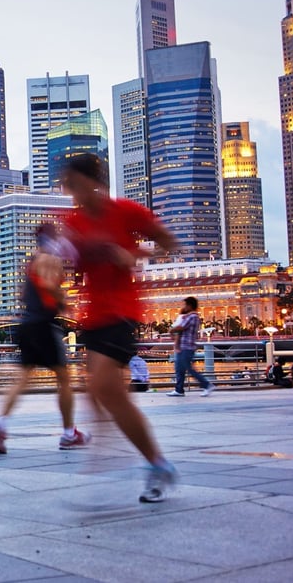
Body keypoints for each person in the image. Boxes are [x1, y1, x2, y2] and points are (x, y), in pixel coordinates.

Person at [60, 153, 179, 503]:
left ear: (94, 182)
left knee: (104, 388)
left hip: (122, 312)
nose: (72, 192)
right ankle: (143, 456)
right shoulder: (73, 221)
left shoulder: (126, 212)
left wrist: (135, 254)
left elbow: (169, 244)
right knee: (100, 392)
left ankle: (155, 463)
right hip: (92, 316)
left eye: (76, 184)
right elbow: (68, 259)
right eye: (68, 186)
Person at [0, 222, 88, 454]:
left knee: (22, 378)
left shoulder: (32, 260)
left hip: (27, 323)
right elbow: (50, 285)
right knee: (64, 379)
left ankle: (0, 423)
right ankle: (69, 434)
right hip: (44, 324)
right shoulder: (50, 259)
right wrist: (64, 303)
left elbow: (23, 294)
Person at [167, 297, 215, 397]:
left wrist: (171, 330)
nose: (184, 307)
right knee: (179, 368)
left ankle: (207, 385)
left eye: (185, 305)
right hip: (183, 346)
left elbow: (181, 326)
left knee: (188, 368)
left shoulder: (192, 316)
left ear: (189, 305)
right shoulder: (190, 316)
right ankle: (179, 390)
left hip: (187, 347)